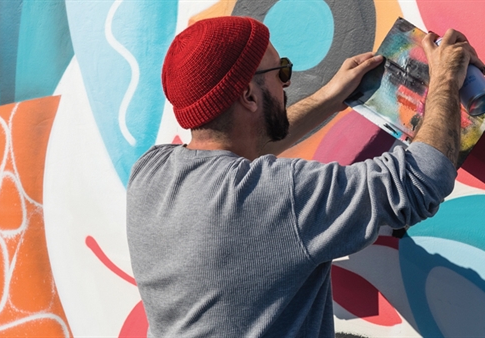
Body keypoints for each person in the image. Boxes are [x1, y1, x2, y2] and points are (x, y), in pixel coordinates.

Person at [126, 16, 484, 337]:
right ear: (249, 96)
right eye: (281, 72)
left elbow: (250, 147)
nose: (287, 82)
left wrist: (332, 96)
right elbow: (419, 180)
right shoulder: (276, 197)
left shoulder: (150, 173)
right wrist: (445, 82)